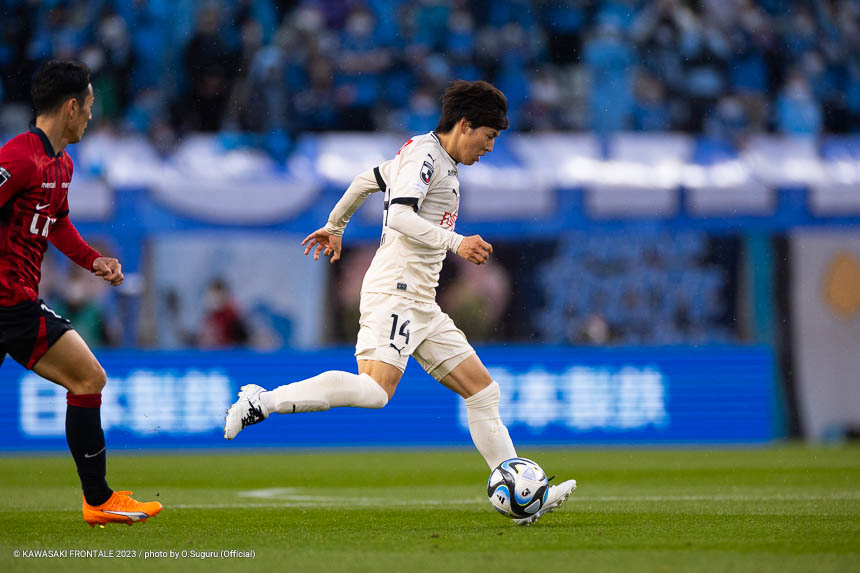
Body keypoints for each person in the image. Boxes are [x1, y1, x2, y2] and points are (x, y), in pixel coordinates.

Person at [225, 80, 575, 525]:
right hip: (395, 292)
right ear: (465, 125)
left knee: (483, 391)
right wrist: (457, 242)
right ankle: (262, 401)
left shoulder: (429, 156)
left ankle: (522, 497)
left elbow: (365, 181)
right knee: (374, 392)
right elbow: (400, 216)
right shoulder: (425, 157)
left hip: (421, 302)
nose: (489, 148)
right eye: (488, 137)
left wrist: (335, 225)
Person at [0, 60, 162, 527]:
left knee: (88, 379)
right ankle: (98, 499)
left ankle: (98, 499)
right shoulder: (19, 157)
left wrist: (93, 260)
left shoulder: (61, 163)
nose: (92, 115)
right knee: (89, 378)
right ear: (71, 107)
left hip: (16, 303)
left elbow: (57, 222)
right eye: (90, 106)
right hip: (9, 303)